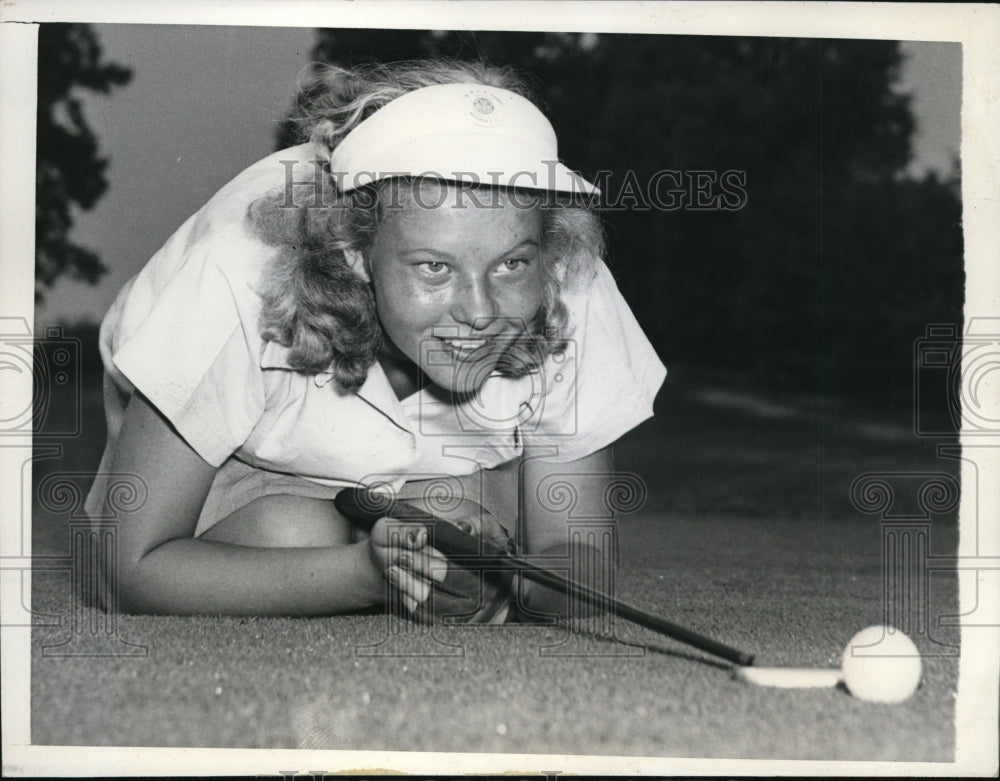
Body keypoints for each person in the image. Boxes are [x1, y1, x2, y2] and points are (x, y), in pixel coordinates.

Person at [84, 60, 666, 622]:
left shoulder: (568, 277)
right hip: (240, 468)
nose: (480, 311)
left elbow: (578, 555)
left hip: (437, 474)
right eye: (434, 268)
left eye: (511, 264)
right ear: (355, 253)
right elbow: (122, 571)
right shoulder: (237, 274)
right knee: (293, 531)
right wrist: (364, 575)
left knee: (459, 520)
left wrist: (514, 578)